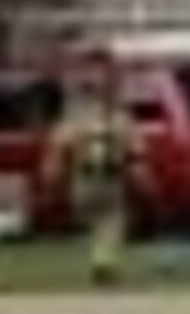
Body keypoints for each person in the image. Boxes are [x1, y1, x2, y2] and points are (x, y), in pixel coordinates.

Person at [57, 51, 136, 286]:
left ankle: (103, 263)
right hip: (90, 171)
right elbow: (63, 141)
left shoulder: (113, 110)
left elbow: (129, 143)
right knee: (106, 218)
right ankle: (102, 262)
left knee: (110, 219)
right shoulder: (83, 110)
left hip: (107, 172)